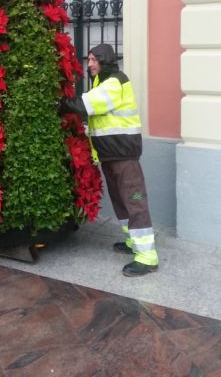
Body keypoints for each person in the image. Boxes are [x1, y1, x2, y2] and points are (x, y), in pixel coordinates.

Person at [60, 43, 159, 277]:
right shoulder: (102, 82)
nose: (90, 64)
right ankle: (133, 243)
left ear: (105, 60)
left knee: (134, 201)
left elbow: (88, 105)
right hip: (111, 154)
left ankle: (147, 256)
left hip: (123, 154)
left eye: (94, 60)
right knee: (121, 201)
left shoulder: (115, 81)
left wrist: (61, 104)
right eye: (90, 60)